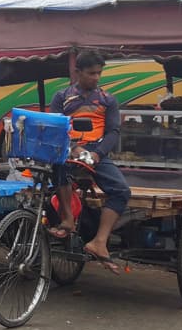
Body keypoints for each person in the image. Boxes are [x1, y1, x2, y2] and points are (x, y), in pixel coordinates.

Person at [49, 50, 131, 275]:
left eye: (99, 73)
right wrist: (72, 147)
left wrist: (98, 154)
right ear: (78, 73)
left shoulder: (108, 99)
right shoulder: (62, 97)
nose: (96, 77)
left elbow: (113, 131)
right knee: (59, 167)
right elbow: (56, 126)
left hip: (97, 152)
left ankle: (99, 241)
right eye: (91, 73)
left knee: (121, 191)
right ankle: (67, 221)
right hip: (69, 149)